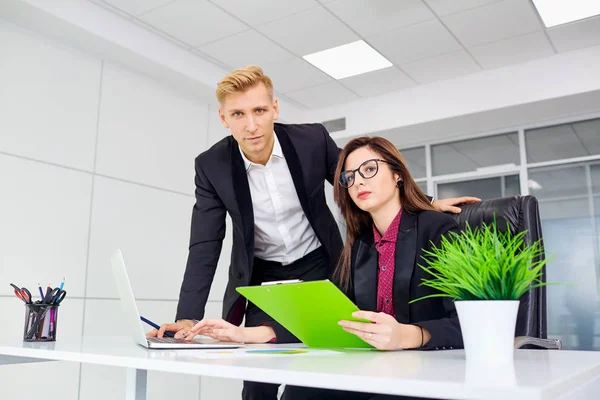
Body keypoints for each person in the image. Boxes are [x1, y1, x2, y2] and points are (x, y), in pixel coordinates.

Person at [147, 66, 478, 399]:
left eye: (260, 110)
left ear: (274, 109)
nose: (252, 125)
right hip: (263, 274)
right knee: (257, 375)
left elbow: (359, 179)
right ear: (223, 118)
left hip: (321, 264)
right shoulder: (211, 165)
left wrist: (423, 203)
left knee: (324, 362)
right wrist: (188, 318)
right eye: (238, 114)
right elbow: (205, 244)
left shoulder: (311, 141)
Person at [282, 136, 464, 400]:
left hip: (429, 370)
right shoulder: (361, 244)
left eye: (369, 169)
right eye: (350, 177)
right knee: (298, 391)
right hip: (376, 367)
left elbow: (470, 323)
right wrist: (246, 332)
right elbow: (334, 314)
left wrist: (407, 335)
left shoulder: (437, 229)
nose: (358, 182)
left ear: (397, 175)